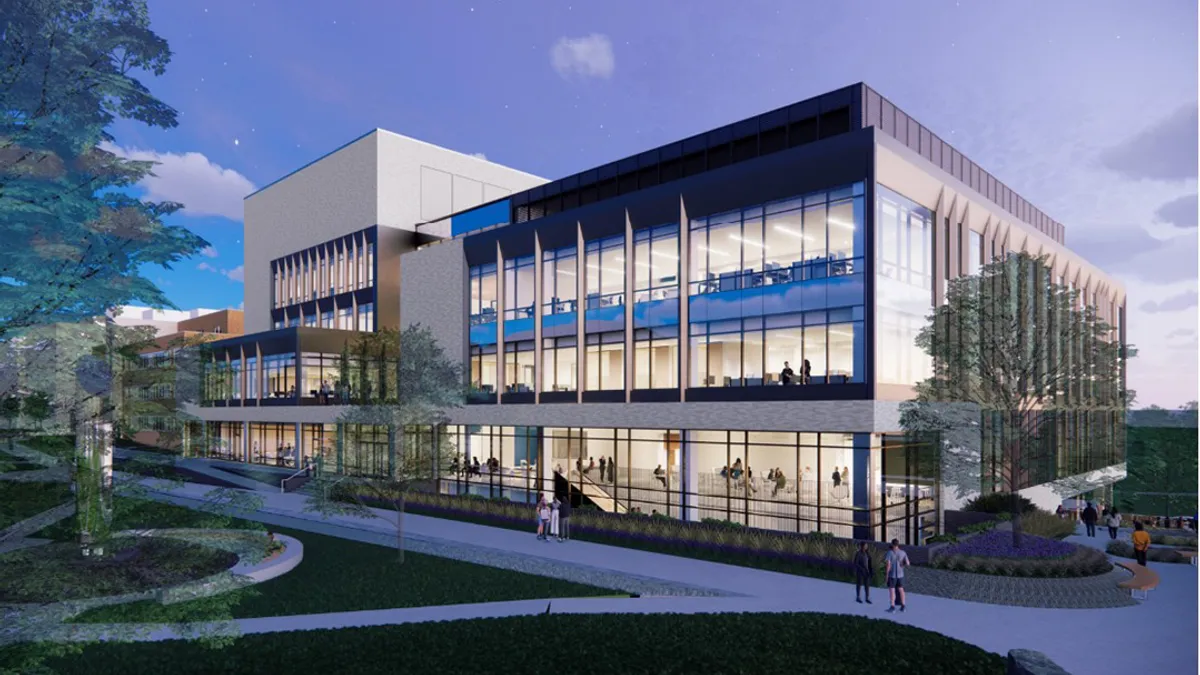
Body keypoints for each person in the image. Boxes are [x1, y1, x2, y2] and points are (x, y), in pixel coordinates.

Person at [884, 539, 909, 613]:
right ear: (898, 544)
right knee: (901, 590)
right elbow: (908, 563)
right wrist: (902, 564)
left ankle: (892, 607)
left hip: (892, 575)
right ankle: (903, 606)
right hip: (901, 575)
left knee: (892, 590)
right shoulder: (903, 552)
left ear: (892, 544)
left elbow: (888, 565)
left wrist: (886, 575)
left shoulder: (890, 553)